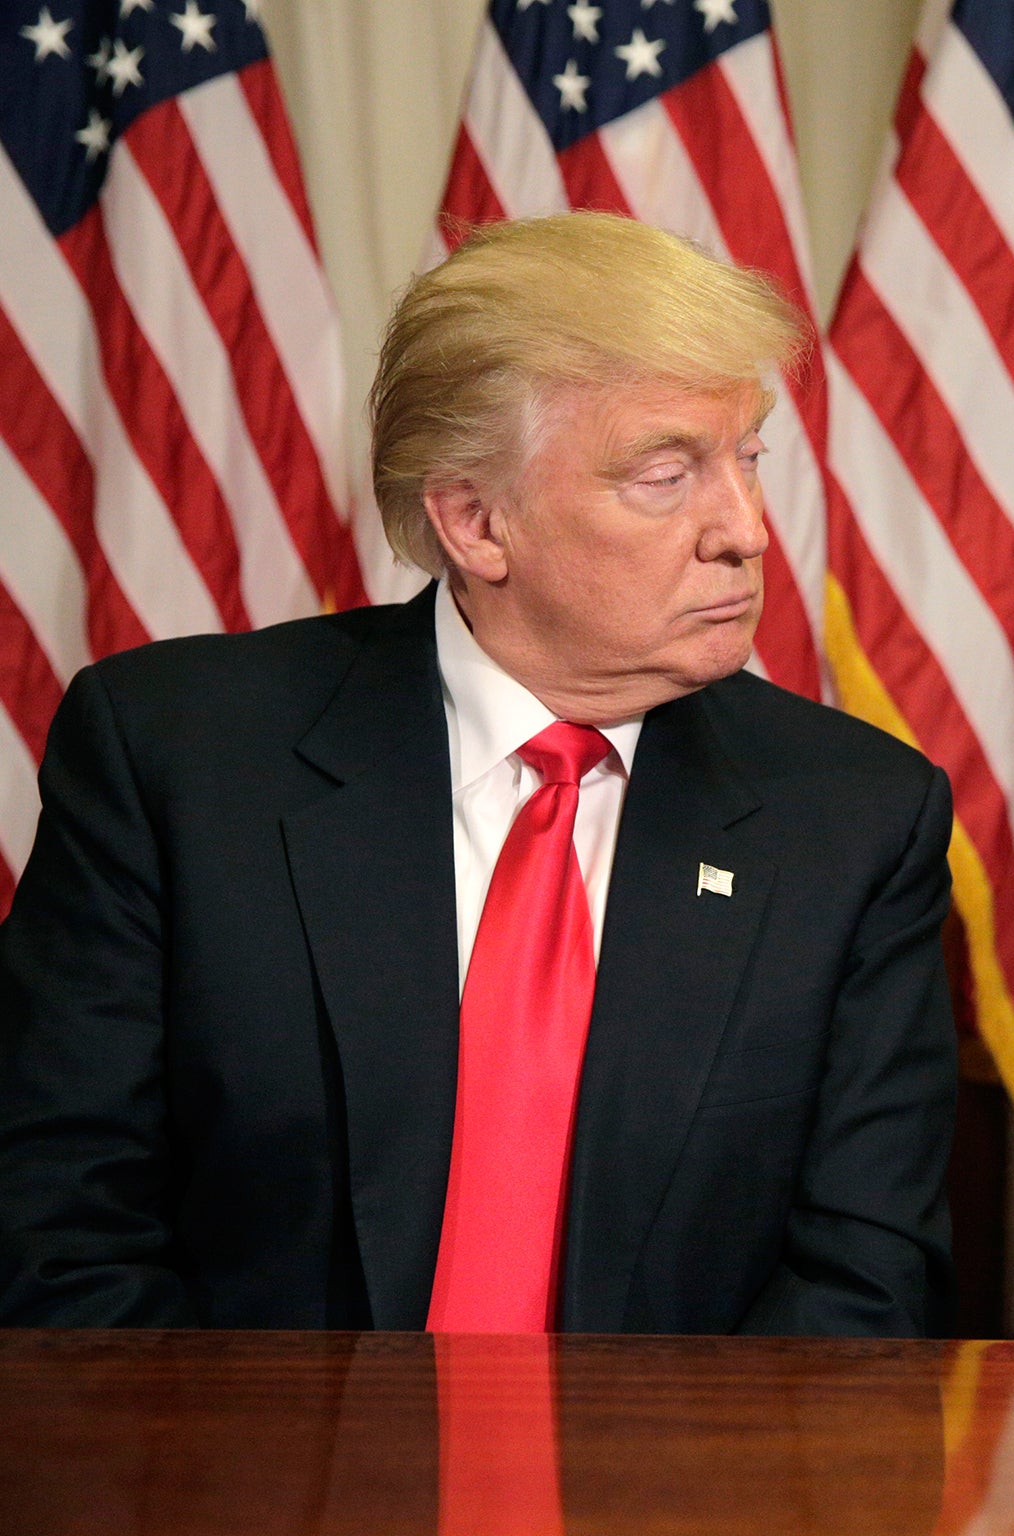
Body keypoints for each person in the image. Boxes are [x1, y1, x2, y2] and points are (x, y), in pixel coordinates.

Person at [0, 212, 956, 1336]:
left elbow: (862, 1285)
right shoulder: (176, 757)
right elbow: (59, 1232)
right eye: (666, 474)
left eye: (745, 459)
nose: (744, 530)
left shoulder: (852, 819)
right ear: (475, 521)